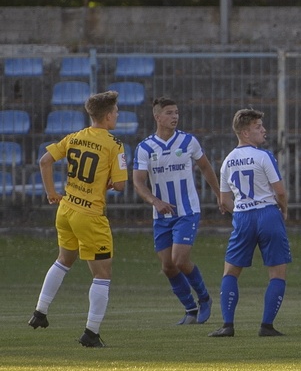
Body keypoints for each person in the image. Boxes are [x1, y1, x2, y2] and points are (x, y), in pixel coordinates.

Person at [27, 90, 128, 348]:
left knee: (64, 260)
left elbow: (44, 160)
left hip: (66, 210)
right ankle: (91, 333)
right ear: (107, 116)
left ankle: (40, 312)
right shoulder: (114, 144)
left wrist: (52, 193)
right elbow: (119, 184)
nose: (117, 115)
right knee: (102, 274)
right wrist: (105, 182)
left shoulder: (75, 137)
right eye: (116, 111)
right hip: (90, 216)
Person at [133, 97, 221, 325]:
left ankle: (204, 299)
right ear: (157, 116)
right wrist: (155, 201)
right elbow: (139, 182)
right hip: (162, 215)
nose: (175, 117)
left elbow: (205, 167)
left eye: (177, 113)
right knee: (168, 266)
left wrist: (221, 194)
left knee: (180, 259)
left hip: (187, 211)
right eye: (170, 113)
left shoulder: (188, 141)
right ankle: (190, 310)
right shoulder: (145, 148)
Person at [208, 109, 292, 338]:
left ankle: (227, 325)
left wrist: (241, 211)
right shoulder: (263, 156)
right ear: (245, 132)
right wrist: (283, 210)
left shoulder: (227, 161)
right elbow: (281, 192)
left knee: (231, 272)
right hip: (268, 214)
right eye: (258, 127)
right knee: (277, 273)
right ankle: (266, 326)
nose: (263, 130)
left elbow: (224, 201)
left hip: (243, 217)